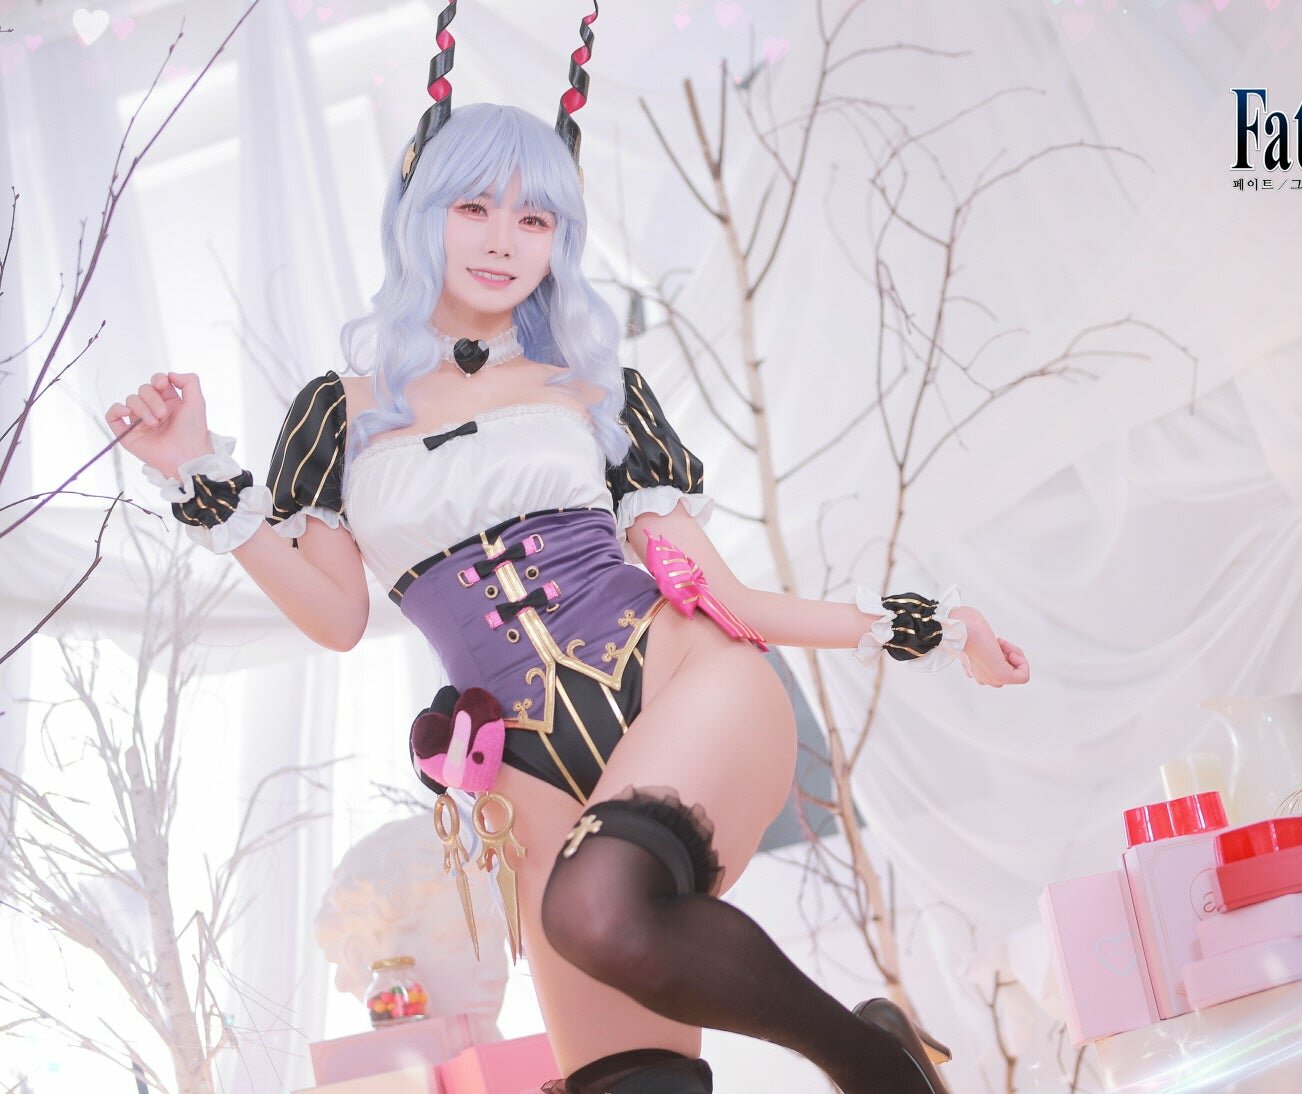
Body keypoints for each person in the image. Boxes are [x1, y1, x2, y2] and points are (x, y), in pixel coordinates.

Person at [104, 11, 1028, 1093]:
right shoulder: (338, 413)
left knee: (597, 904)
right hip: (529, 766)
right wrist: (192, 472)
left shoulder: (593, 388)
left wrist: (928, 626)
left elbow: (731, 598)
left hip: (683, 681)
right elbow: (337, 617)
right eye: (475, 206)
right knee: (627, 1078)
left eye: (535, 217)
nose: (504, 239)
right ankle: (878, 1047)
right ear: (419, 213)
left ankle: (871, 1065)